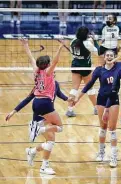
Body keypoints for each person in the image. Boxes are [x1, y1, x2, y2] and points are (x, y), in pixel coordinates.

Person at [18, 38, 65, 175]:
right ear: (48, 65)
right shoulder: (48, 73)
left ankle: (37, 158)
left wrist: (26, 45)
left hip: (36, 103)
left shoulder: (36, 71)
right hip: (45, 103)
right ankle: (39, 128)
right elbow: (56, 61)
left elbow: (31, 58)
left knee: (50, 140)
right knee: (60, 127)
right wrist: (61, 46)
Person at [74, 50, 121, 168]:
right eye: (107, 56)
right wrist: (78, 97)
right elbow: (89, 84)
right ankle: (101, 152)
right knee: (103, 127)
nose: (109, 57)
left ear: (114, 57)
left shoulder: (119, 68)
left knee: (112, 128)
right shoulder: (99, 70)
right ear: (104, 58)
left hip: (114, 100)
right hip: (101, 100)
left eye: (111, 56)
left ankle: (114, 157)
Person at [6, 80, 70, 137]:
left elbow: (59, 93)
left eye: (54, 72)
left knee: (50, 141)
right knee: (49, 137)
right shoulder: (40, 85)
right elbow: (28, 99)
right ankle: (36, 131)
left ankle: (32, 150)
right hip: (41, 116)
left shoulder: (55, 83)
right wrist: (14, 111)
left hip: (49, 114)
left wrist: (68, 99)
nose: (53, 74)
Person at [65, 26, 99, 117]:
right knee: (90, 88)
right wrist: (95, 41)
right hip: (85, 68)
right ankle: (96, 108)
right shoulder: (87, 43)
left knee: (74, 88)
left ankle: (70, 110)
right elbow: (98, 52)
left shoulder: (73, 41)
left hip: (75, 66)